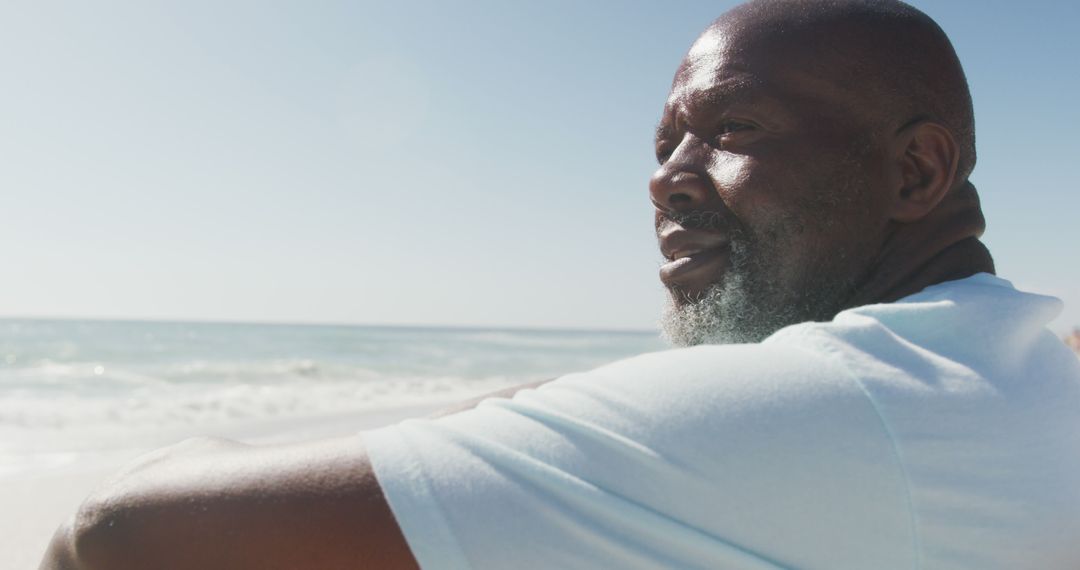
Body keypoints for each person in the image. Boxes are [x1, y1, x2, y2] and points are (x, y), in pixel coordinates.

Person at [41, 0, 1080, 568]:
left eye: (733, 131)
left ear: (916, 170)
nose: (666, 179)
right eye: (665, 141)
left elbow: (118, 531)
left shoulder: (843, 408)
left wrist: (199, 449)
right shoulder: (1004, 364)